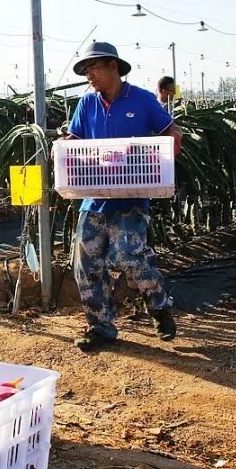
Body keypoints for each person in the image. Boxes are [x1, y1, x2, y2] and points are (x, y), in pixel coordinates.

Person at [63, 41, 183, 352]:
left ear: (113, 67)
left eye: (94, 68)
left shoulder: (141, 100)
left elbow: (172, 132)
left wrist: (166, 155)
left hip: (131, 197)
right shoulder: (86, 104)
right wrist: (63, 147)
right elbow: (74, 139)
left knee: (129, 255)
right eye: (86, 70)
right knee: (85, 264)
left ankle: (158, 306)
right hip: (95, 197)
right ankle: (100, 327)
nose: (89, 75)